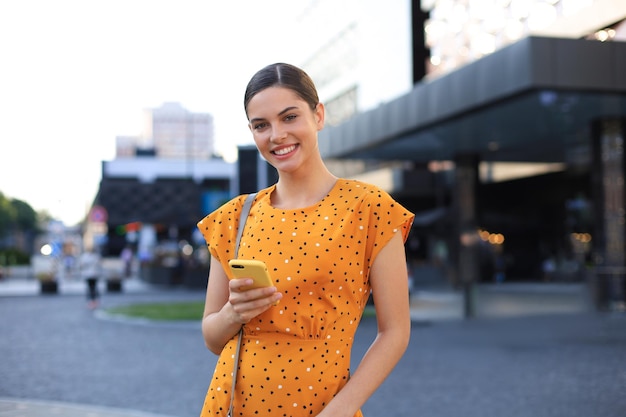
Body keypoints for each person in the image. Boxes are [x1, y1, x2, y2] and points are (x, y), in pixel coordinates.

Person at [196, 63, 415, 417]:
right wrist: (233, 313)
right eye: (261, 125)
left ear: (318, 115)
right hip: (231, 405)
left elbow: (395, 332)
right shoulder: (235, 217)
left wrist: (342, 409)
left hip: (323, 406)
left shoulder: (369, 208)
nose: (277, 135)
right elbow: (211, 337)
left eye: (289, 117)